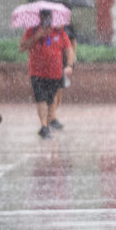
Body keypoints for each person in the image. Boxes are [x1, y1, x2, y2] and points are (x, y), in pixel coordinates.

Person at [19, 9, 75, 139]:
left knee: (51, 101)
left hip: (55, 73)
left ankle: (47, 125)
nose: (46, 20)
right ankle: (43, 126)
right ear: (40, 18)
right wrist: (36, 36)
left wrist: (69, 65)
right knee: (41, 99)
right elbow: (22, 47)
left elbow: (69, 50)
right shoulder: (32, 31)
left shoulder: (60, 32)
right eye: (44, 17)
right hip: (37, 72)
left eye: (48, 17)